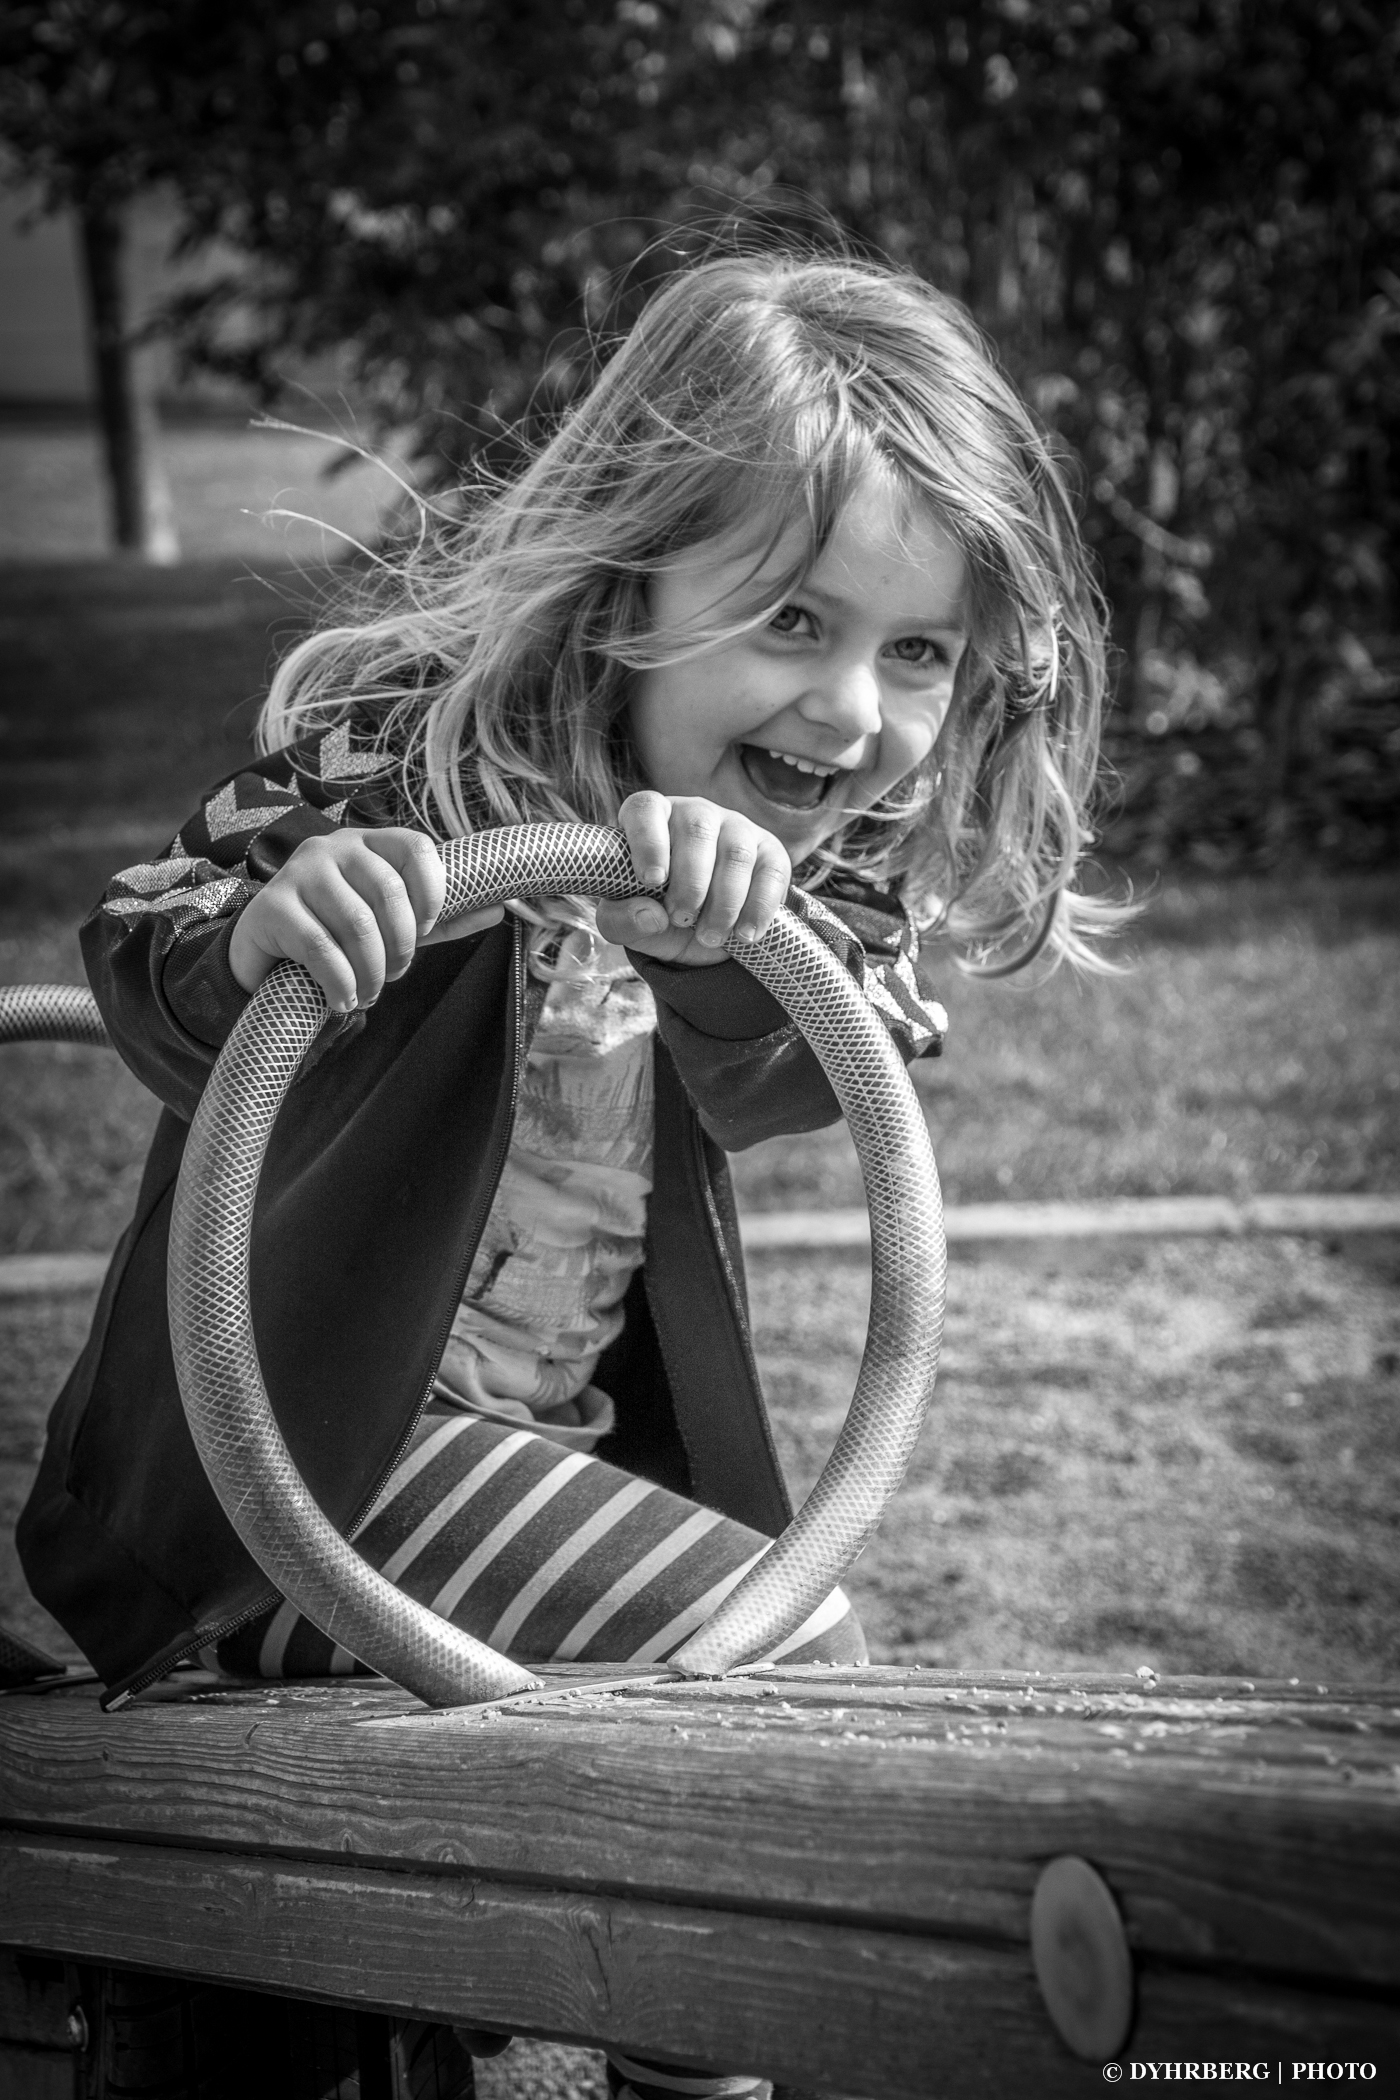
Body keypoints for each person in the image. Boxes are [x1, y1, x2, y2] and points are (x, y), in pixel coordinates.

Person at [19, 249, 1121, 2099]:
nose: (853, 710)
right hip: (297, 1470)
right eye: (793, 620)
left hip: (537, 1449)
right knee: (784, 1665)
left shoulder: (814, 879)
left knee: (734, 1711)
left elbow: (811, 1069)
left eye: (918, 652)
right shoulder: (407, 761)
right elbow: (145, 941)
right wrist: (274, 926)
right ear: (631, 590)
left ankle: (680, 2056)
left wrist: (717, 948)